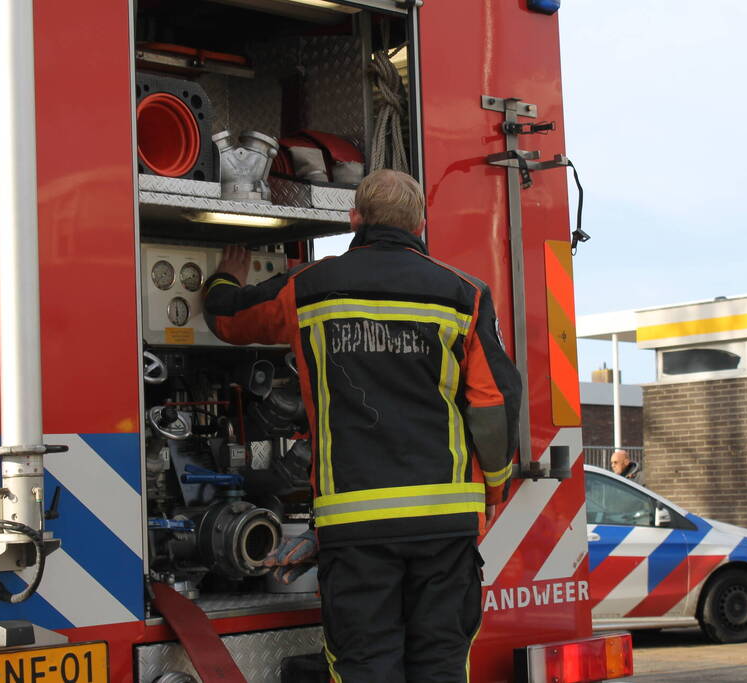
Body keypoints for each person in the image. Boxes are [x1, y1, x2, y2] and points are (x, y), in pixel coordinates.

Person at [202, 169, 521, 682]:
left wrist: (222, 281)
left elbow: (228, 319)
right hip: (445, 523)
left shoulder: (308, 287)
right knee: (440, 661)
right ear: (421, 221)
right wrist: (496, 487)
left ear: (355, 219)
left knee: (365, 664)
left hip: (355, 525)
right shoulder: (464, 294)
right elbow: (492, 403)